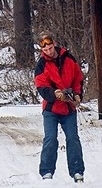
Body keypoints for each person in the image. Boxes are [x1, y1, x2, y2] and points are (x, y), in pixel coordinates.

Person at [34, 31, 85, 182]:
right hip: (51, 109)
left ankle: (77, 171)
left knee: (73, 138)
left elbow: (78, 78)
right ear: (41, 50)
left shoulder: (68, 58)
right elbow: (41, 87)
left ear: (54, 43)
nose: (48, 51)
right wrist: (54, 93)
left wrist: (77, 95)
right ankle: (46, 172)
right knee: (50, 138)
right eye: (45, 50)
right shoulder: (41, 65)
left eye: (50, 47)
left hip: (69, 108)